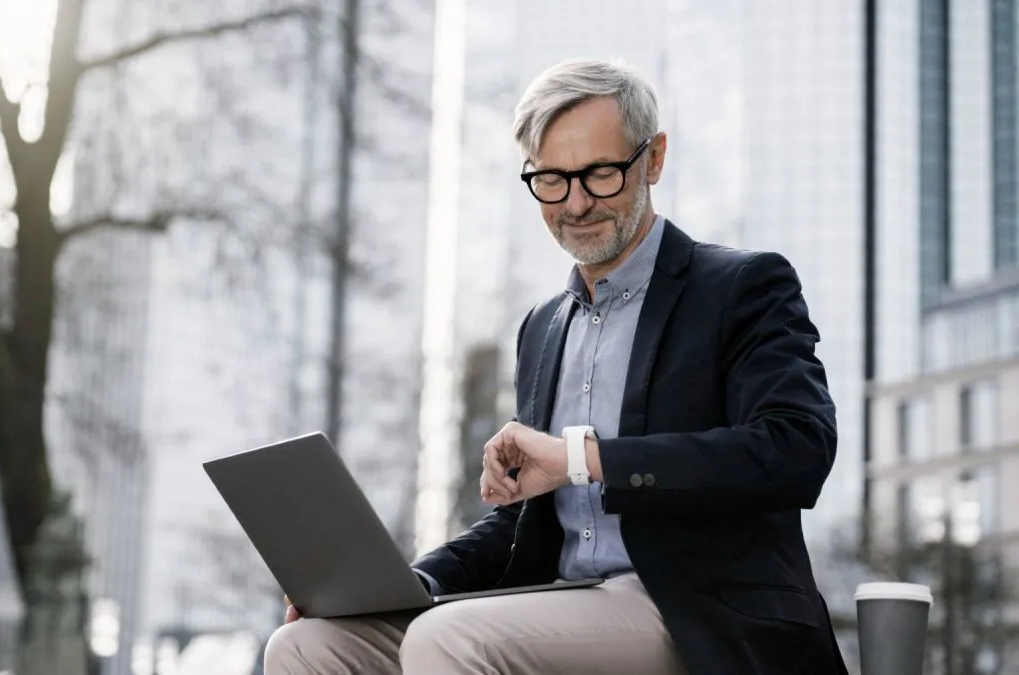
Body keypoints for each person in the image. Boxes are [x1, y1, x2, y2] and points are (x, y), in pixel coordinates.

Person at [263, 57, 848, 675]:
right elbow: (523, 519)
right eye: (551, 179)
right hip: (560, 603)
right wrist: (398, 587)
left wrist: (582, 459)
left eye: (600, 174)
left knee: (451, 639)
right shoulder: (543, 326)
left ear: (653, 160)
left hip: (699, 614)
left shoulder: (741, 286)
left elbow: (797, 448)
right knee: (309, 644)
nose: (575, 203)